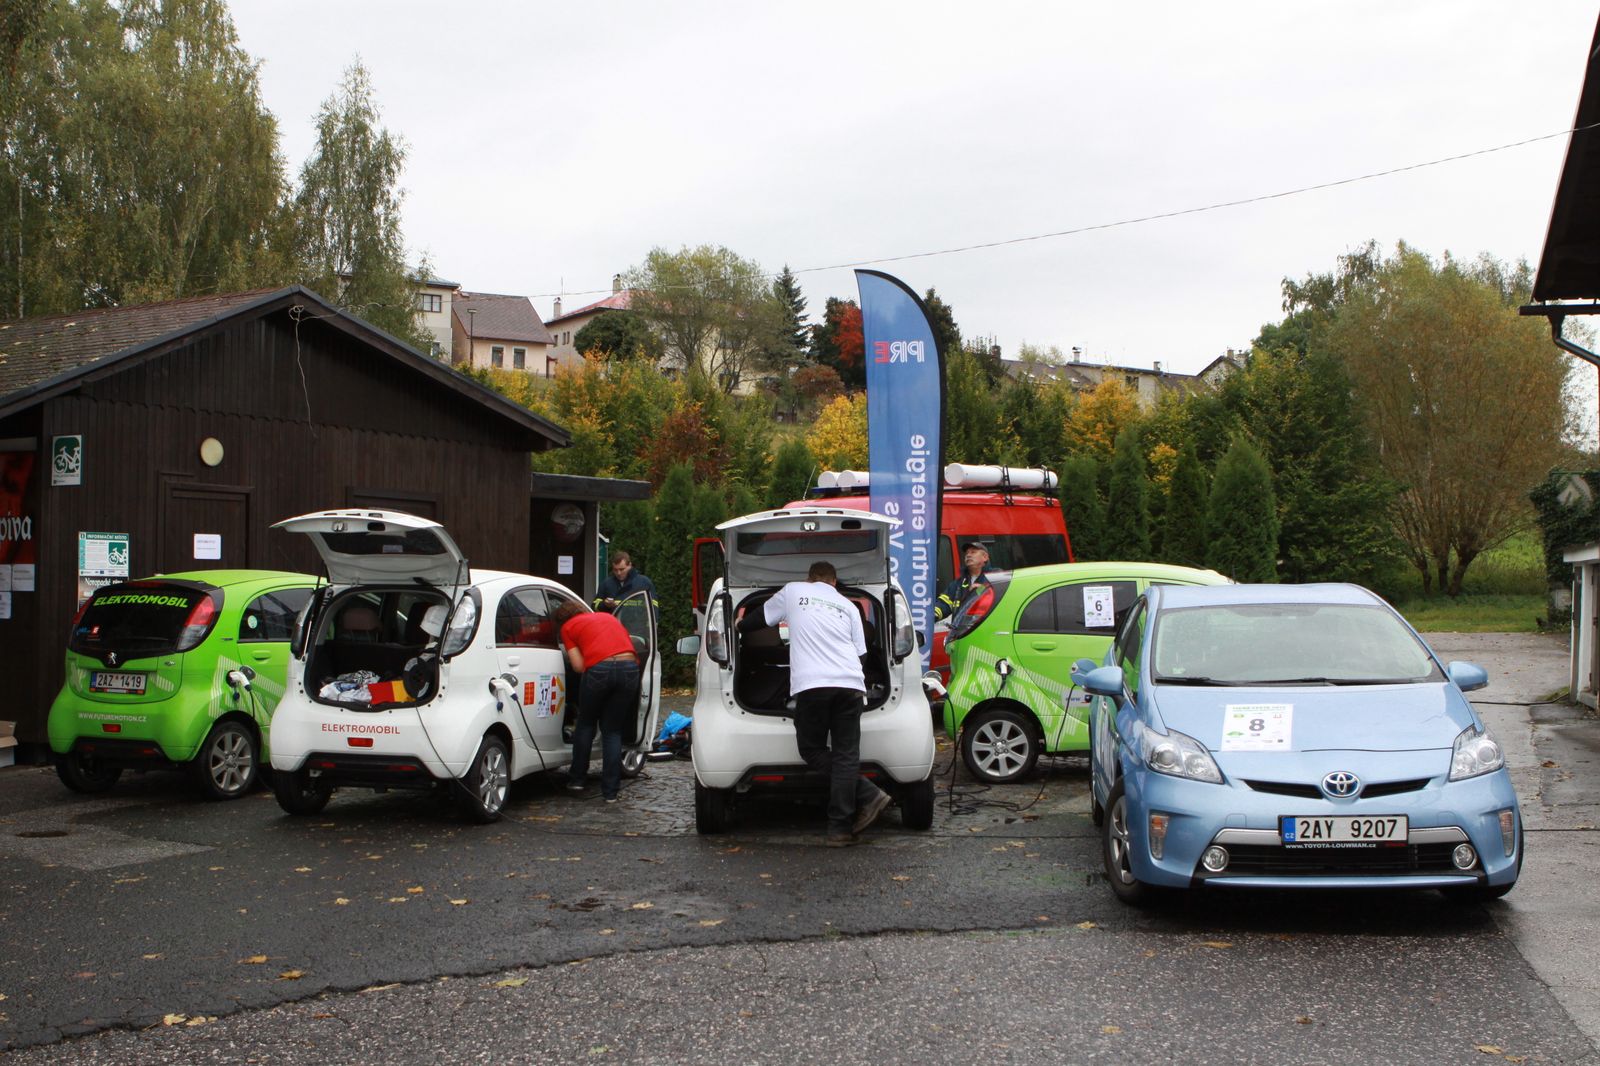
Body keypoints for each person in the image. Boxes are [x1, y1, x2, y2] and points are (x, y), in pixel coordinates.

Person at [737, 560, 892, 846]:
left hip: (812, 685)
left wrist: (739, 625)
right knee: (846, 756)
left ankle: (868, 794)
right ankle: (839, 829)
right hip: (850, 685)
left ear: (810, 579)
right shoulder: (848, 605)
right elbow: (862, 655)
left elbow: (761, 618)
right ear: (834, 582)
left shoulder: (794, 591)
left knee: (811, 749)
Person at [552, 600, 639, 803]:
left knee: (586, 723)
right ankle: (610, 792)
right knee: (613, 730)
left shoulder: (568, 627)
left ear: (561, 620)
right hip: (629, 668)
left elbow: (579, 666)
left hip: (599, 670)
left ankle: (577, 780)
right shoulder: (608, 617)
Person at [934, 541, 992, 622]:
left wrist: (983, 589)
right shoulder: (957, 584)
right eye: (967, 553)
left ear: (985, 557)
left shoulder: (995, 578)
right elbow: (944, 604)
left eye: (973, 552)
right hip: (963, 632)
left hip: (986, 630)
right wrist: (931, 615)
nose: (968, 555)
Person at [593, 551, 658, 617]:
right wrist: (605, 604)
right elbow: (594, 606)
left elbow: (653, 607)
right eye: (615, 570)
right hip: (614, 625)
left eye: (622, 569)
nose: (618, 573)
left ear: (630, 565)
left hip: (638, 626)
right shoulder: (606, 584)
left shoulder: (644, 582)